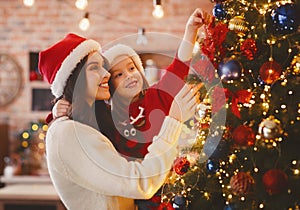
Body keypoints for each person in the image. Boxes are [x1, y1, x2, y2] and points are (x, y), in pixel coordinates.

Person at [39, 33, 198, 210]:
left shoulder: (96, 123)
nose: (106, 73)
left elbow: (177, 69)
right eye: (94, 68)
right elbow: (141, 183)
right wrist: (174, 120)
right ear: (73, 79)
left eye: (103, 66)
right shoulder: (69, 133)